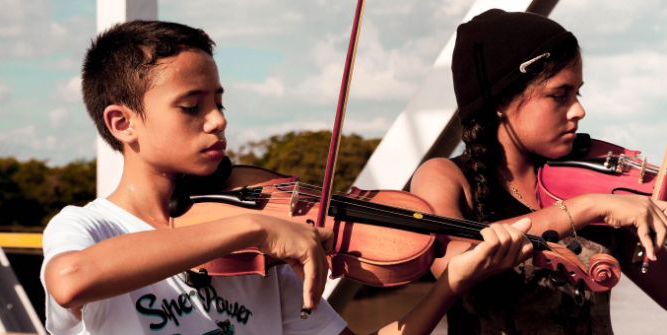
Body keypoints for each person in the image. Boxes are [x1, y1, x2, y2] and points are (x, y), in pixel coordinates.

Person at [40, 20, 534, 335]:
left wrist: (446, 287)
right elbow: (70, 279)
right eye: (192, 107)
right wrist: (254, 228)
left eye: (219, 102)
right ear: (121, 123)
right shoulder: (89, 228)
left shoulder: (264, 261)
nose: (217, 121)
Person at [410, 9, 667, 335]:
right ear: (501, 99)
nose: (579, 110)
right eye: (560, 95)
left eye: (578, 93)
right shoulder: (445, 176)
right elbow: (452, 262)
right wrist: (588, 207)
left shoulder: (596, 180)